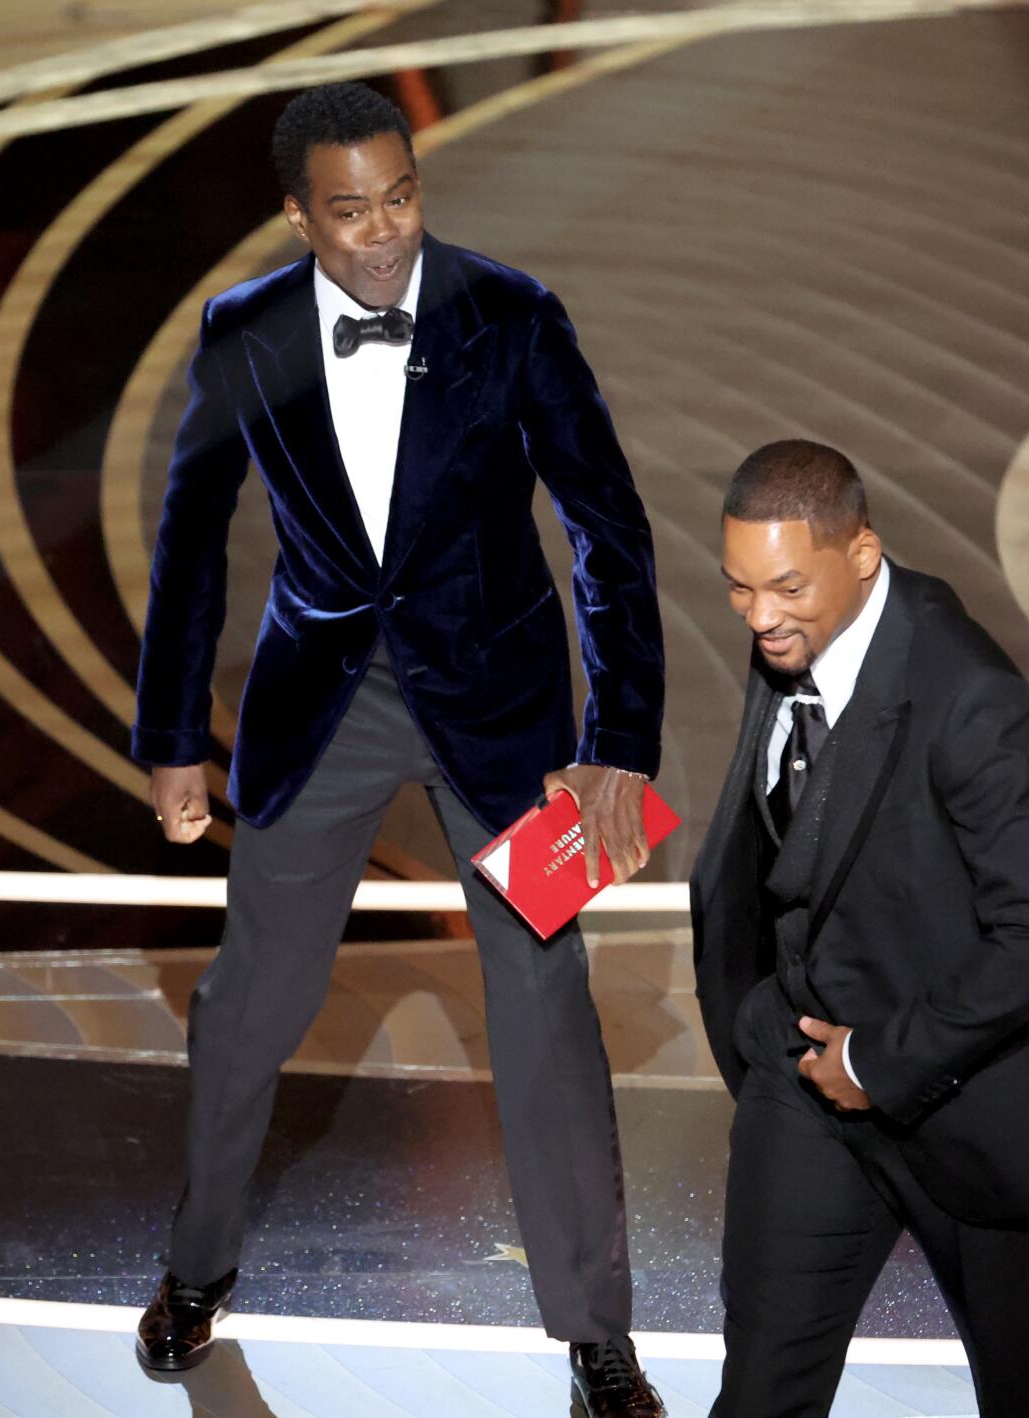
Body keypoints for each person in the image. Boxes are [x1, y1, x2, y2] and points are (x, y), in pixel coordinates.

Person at [128, 82, 668, 1417]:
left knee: (545, 1010)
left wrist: (619, 741)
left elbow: (608, 528)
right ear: (299, 214)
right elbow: (191, 537)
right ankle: (197, 1267)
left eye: (403, 198)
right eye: (351, 210)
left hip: (507, 713)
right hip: (323, 705)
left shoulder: (512, 315)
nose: (383, 234)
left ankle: (598, 1335)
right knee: (250, 1000)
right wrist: (172, 735)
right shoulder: (241, 329)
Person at [691, 440, 1029, 1416]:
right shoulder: (791, 631)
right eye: (737, 588)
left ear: (863, 553)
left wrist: (879, 1060)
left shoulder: (971, 699)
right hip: (801, 1082)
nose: (758, 615)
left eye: (784, 586)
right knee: (759, 1392)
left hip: (967, 1105)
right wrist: (765, 1025)